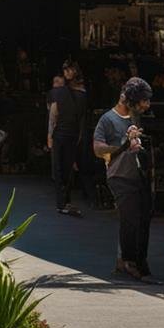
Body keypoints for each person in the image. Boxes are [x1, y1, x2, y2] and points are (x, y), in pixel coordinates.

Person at [93, 77, 156, 283]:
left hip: (137, 174)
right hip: (119, 176)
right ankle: (130, 262)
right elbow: (97, 148)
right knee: (131, 219)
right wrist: (122, 146)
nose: (146, 105)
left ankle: (131, 260)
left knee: (141, 218)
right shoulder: (107, 120)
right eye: (143, 101)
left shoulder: (135, 117)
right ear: (129, 100)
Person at [48, 63, 89, 217]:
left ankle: (65, 201)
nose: (67, 73)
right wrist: (50, 135)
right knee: (59, 169)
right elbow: (53, 115)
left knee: (66, 168)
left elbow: (81, 118)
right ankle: (62, 202)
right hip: (61, 133)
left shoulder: (80, 93)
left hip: (70, 134)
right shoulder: (59, 93)